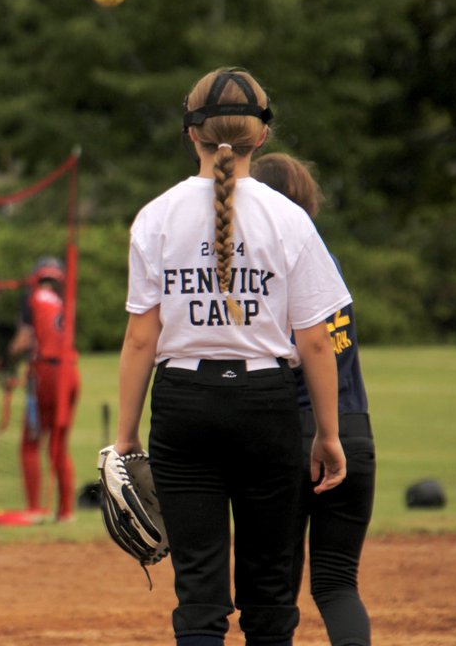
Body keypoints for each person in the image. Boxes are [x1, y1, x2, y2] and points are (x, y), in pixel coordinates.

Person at [112, 68, 349, 646]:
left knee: (199, 591)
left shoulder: (156, 216)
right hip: (265, 404)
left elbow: (141, 339)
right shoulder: (290, 218)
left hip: (182, 405)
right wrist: (328, 434)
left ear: (190, 132)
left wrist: (124, 437)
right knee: (269, 590)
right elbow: (315, 340)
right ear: (261, 136)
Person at [251, 152, 375, 646]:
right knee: (338, 584)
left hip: (296, 434)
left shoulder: (267, 267)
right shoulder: (329, 261)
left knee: (274, 593)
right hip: (355, 430)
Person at [9, 256, 80, 522]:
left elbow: (24, 339)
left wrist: (5, 361)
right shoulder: (64, 302)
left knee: (31, 442)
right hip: (70, 371)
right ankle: (66, 511)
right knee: (59, 445)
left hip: (45, 373)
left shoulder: (33, 298)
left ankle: (35, 509)